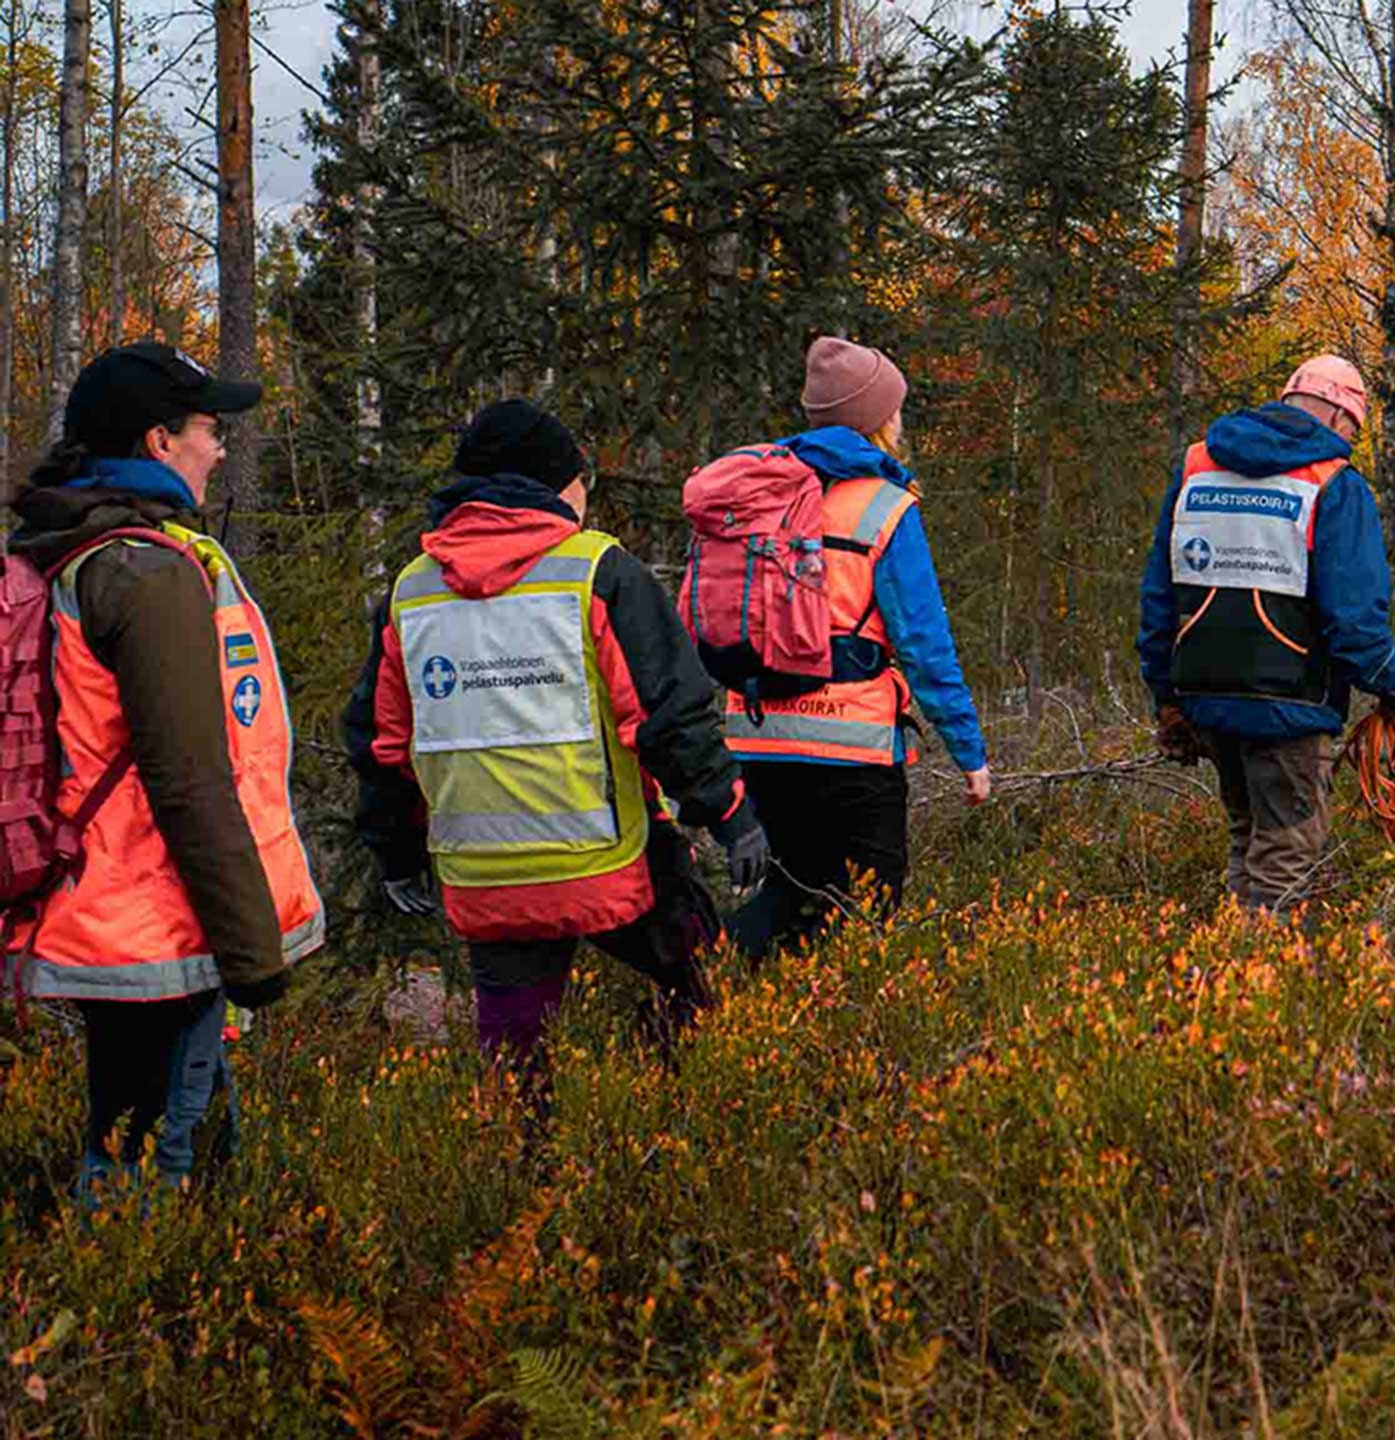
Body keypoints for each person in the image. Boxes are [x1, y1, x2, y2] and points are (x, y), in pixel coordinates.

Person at [342, 400, 768, 1081]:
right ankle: (668, 1129)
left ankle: (529, 1176)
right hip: (612, 863)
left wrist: (395, 853)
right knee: (712, 995)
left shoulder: (411, 594)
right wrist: (729, 813)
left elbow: (382, 743)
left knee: (516, 1063)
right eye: (578, 478)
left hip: (484, 879)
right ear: (552, 485)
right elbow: (669, 716)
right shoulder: (598, 573)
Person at [6, 342, 325, 1201]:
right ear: (158, 442)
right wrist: (254, 953)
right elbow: (189, 778)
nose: (219, 449)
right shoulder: (145, 571)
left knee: (151, 1130)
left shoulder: (59, 544)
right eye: (208, 430)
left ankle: (155, 1302)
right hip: (159, 920)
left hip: (95, 905)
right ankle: (137, 1321)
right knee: (153, 1167)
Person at [715, 338, 992, 958]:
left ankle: (709, 997)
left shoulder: (757, 493)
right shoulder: (884, 505)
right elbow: (922, 642)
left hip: (758, 736)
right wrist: (968, 751)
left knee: (787, 896)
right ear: (876, 420)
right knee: (870, 911)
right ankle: (839, 1040)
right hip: (853, 744)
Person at [1136, 355, 1395, 914]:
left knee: (1247, 840)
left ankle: (1227, 979)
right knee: (1287, 854)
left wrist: (1165, 695)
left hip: (1205, 700)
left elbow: (1159, 593)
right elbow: (1354, 616)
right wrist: (1392, 687)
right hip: (1291, 708)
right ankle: (1261, 992)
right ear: (1338, 416)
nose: (1348, 443)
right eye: (1352, 431)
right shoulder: (1333, 482)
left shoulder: (1196, 467)